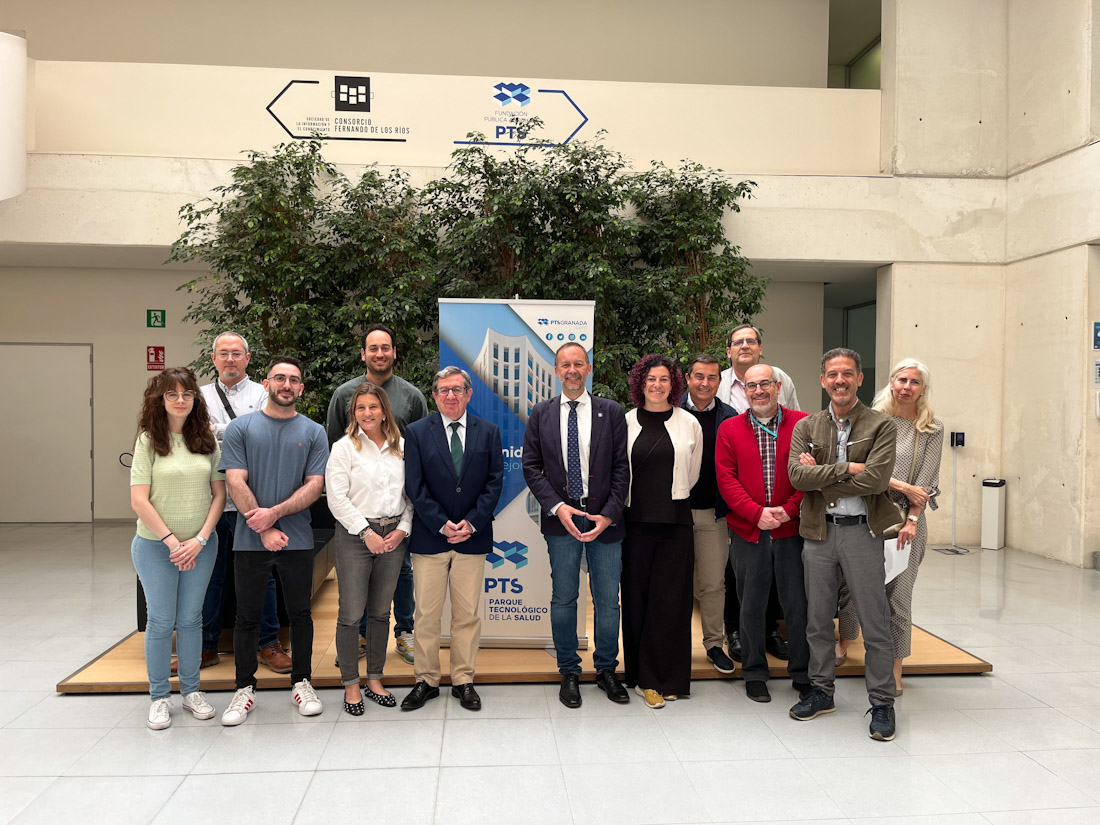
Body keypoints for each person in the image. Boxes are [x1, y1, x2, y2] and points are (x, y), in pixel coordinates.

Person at [787, 348, 899, 741]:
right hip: (819, 532)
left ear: (859, 378)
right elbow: (798, 478)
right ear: (822, 380)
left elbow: (878, 481)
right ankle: (821, 691)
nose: (840, 381)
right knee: (818, 619)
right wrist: (848, 468)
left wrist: (821, 474)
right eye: (832, 374)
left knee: (875, 621)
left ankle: (883, 703)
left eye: (847, 374)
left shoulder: (882, 425)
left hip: (862, 533)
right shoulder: (808, 425)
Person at [219, 356, 330, 726]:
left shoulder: (314, 432)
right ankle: (244, 688)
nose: (287, 385)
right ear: (265, 384)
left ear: (301, 388)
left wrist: (275, 514)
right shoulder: (241, 428)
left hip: (297, 539)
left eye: (294, 380)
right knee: (247, 616)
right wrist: (263, 527)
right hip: (250, 539)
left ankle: (302, 682)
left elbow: (315, 485)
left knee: (299, 614)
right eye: (279, 378)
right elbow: (235, 480)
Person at [522, 343, 631, 708]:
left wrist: (609, 514)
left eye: (578, 364)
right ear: (556, 371)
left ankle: (606, 670)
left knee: (607, 601)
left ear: (588, 369)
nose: (571, 370)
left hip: (606, 521)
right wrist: (558, 508)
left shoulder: (611, 412)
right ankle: (568, 670)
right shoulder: (540, 413)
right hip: (562, 522)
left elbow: (621, 468)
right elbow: (532, 468)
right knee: (565, 598)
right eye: (564, 364)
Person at [835, 358, 942, 695]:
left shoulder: (931, 429)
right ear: (891, 382)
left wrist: (912, 517)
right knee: (852, 587)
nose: (906, 387)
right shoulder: (872, 422)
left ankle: (895, 666)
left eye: (914, 382)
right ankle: (845, 640)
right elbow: (864, 469)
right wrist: (902, 486)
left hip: (909, 522)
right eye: (901, 380)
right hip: (868, 512)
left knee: (899, 594)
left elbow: (925, 481)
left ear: (923, 388)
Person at [401, 367, 503, 712]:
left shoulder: (488, 432)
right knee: (427, 615)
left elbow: (494, 484)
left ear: (469, 394)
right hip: (430, 538)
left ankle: (463, 680)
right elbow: (414, 486)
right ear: (434, 395)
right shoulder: (416, 432)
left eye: (457, 390)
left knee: (466, 615)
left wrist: (471, 523)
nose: (450, 396)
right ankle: (426, 680)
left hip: (472, 539)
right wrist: (442, 523)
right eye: (443, 390)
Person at [129, 367, 226, 730]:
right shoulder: (148, 440)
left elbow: (220, 495)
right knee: (160, 621)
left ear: (195, 399)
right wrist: (173, 542)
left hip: (201, 546)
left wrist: (198, 540)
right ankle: (158, 697)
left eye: (187, 394)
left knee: (191, 619)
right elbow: (139, 499)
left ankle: (191, 691)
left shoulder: (207, 438)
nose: (180, 400)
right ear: (161, 399)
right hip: (156, 547)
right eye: (172, 394)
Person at [326, 324, 428, 666]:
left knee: (402, 573)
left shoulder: (412, 396)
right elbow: (335, 451)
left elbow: (419, 454)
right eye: (373, 348)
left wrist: (405, 523)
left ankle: (404, 632)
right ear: (363, 354)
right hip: (358, 516)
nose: (380, 353)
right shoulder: (343, 394)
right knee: (355, 591)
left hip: (397, 514)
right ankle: (359, 639)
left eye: (386, 347)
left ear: (394, 352)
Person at [715, 364, 811, 703]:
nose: (758, 391)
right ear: (744, 391)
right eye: (751, 385)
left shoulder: (803, 423)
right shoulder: (729, 429)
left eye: (765, 384)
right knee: (750, 605)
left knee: (797, 604)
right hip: (749, 531)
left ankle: (803, 672)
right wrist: (756, 514)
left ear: (778, 385)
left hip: (792, 530)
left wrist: (789, 510)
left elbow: (812, 474)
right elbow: (726, 479)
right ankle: (754, 672)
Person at [196, 331, 290, 675]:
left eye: (237, 353)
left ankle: (269, 644)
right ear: (214, 359)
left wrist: (218, 429)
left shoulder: (263, 393)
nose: (230, 359)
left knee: (262, 577)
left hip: (254, 500)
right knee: (210, 576)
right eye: (224, 354)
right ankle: (206, 647)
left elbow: (268, 433)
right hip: (211, 502)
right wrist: (238, 428)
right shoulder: (199, 395)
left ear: (248, 359)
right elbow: (197, 435)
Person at [326, 382, 414, 715]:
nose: (367, 413)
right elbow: (336, 498)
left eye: (373, 407)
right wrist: (366, 533)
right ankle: (351, 684)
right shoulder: (344, 448)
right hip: (355, 535)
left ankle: (375, 678)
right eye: (360, 408)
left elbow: (411, 495)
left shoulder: (401, 447)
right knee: (351, 614)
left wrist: (402, 530)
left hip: (394, 535)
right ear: (353, 413)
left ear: (384, 410)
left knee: (380, 612)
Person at [622, 354, 703, 708]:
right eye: (650, 379)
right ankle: (641, 677)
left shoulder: (689, 424)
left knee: (671, 602)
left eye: (664, 380)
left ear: (674, 385)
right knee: (638, 599)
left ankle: (666, 677)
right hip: (633, 523)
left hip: (675, 521)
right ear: (641, 384)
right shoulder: (623, 422)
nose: (657, 385)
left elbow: (694, 472)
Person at [717, 324, 799, 662]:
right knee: (738, 572)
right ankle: (736, 632)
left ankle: (769, 632)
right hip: (736, 492)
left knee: (778, 577)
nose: (745, 346)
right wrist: (752, 510)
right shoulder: (717, 382)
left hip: (780, 497)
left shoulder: (780, 379)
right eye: (739, 342)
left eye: (751, 341)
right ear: (729, 351)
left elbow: (796, 429)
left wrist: (786, 508)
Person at [680, 353, 738, 675]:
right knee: (674, 582)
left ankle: (715, 644)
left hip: (713, 516)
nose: (705, 383)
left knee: (714, 584)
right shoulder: (669, 412)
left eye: (712, 377)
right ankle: (676, 645)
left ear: (719, 381)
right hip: (676, 515)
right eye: (699, 376)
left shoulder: (730, 417)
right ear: (688, 378)